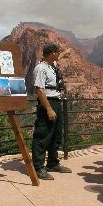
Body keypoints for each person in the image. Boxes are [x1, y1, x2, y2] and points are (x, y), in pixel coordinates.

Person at [31, 43, 72, 180]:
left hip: (57, 102)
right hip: (47, 102)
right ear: (51, 53)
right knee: (43, 135)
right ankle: (38, 168)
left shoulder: (51, 64)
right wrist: (48, 108)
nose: (58, 55)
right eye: (57, 52)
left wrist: (65, 52)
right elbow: (39, 90)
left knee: (56, 135)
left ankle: (52, 163)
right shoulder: (41, 68)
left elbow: (58, 57)